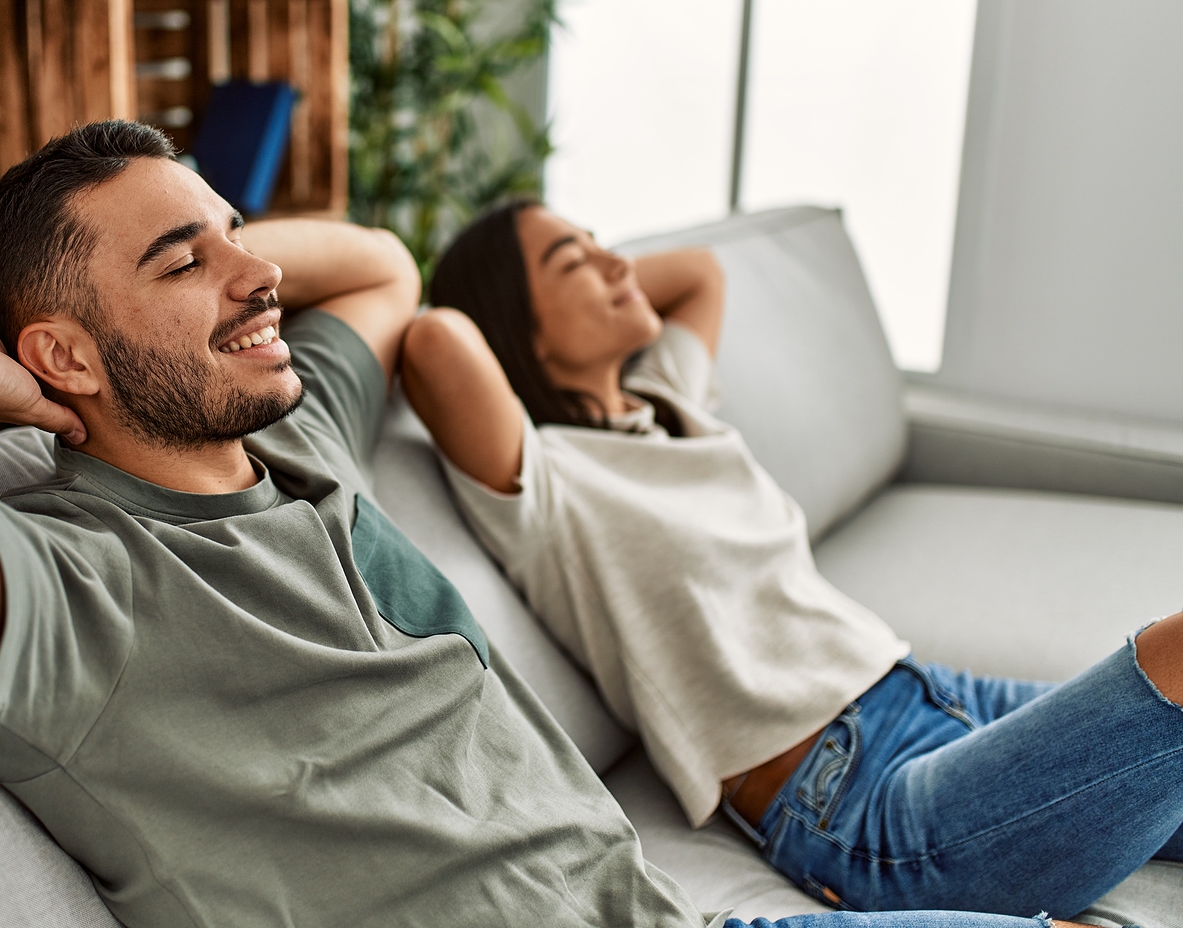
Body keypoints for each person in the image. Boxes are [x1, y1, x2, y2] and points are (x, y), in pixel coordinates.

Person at [0, 121, 1093, 928]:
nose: (257, 277)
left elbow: (382, 267)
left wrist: (209, 255)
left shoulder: (299, 433)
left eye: (240, 232)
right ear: (57, 356)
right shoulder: (70, 586)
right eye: (186, 260)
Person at [401, 197, 1183, 920]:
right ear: (517, 323)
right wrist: (513, 294)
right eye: (574, 262)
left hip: (936, 692)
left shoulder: (668, 402)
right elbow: (438, 342)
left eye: (607, 248)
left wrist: (591, 271)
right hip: (861, 801)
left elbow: (702, 273)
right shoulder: (543, 481)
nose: (614, 265)